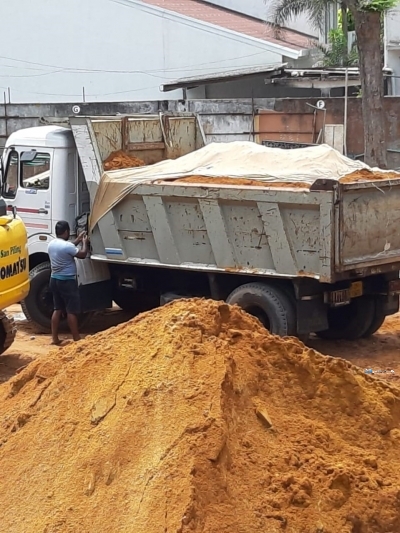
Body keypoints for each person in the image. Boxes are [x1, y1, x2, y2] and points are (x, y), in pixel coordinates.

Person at [48, 220, 88, 345]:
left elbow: (69, 247)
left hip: (54, 279)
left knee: (57, 309)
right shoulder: (67, 246)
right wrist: (84, 243)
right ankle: (76, 338)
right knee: (71, 311)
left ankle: (54, 338)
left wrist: (78, 239)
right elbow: (82, 254)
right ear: (66, 232)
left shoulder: (52, 244)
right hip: (67, 282)